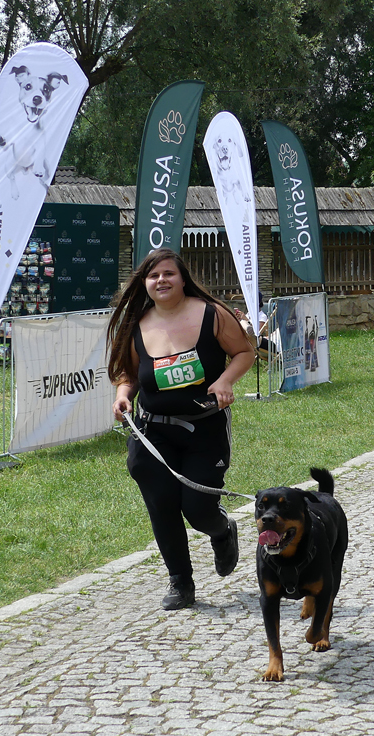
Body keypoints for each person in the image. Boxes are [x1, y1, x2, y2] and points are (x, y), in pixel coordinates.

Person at [108, 249, 256, 610]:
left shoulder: (212, 314)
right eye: (153, 275)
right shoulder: (137, 324)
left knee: (198, 508)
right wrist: (123, 394)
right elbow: (129, 373)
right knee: (161, 505)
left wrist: (225, 381)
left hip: (204, 430)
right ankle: (180, 582)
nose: (161, 280)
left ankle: (221, 529)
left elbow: (245, 352)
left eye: (168, 274)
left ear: (183, 278)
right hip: (153, 432)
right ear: (145, 283)